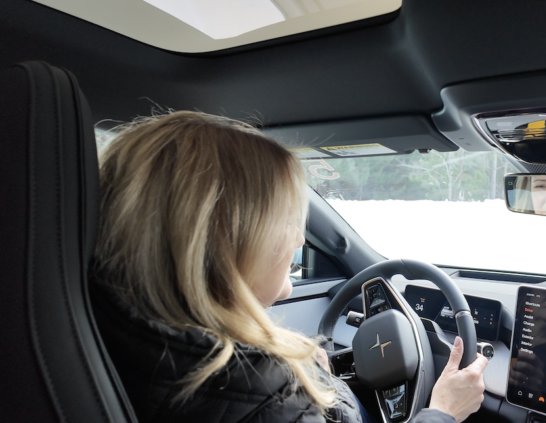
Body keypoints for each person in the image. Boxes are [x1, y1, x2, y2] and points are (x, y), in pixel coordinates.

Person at [89, 111, 487, 423]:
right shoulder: (262, 390)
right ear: (230, 239)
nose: (300, 239)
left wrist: (312, 374)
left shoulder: (108, 323)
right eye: (286, 220)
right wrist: (444, 412)